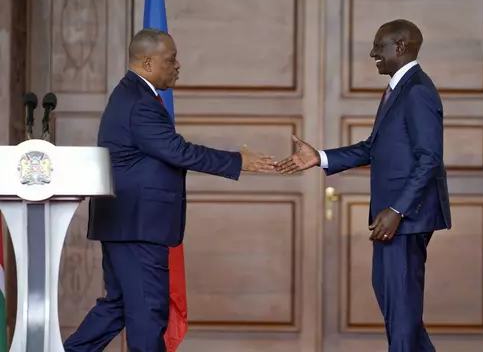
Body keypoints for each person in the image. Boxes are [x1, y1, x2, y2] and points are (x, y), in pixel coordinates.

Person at [63, 28, 275, 352]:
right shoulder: (139, 101)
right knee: (148, 315)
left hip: (126, 224)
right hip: (138, 227)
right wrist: (237, 161)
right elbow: (178, 151)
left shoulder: (133, 94)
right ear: (148, 62)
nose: (178, 66)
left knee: (117, 306)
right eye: (171, 59)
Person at [276, 19, 451, 352]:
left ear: (399, 47)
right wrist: (320, 157)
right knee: (398, 309)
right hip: (393, 219)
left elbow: (429, 158)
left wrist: (397, 209)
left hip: (404, 219)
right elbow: (373, 147)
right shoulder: (399, 89)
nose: (373, 53)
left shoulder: (418, 91)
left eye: (378, 46)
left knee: (400, 314)